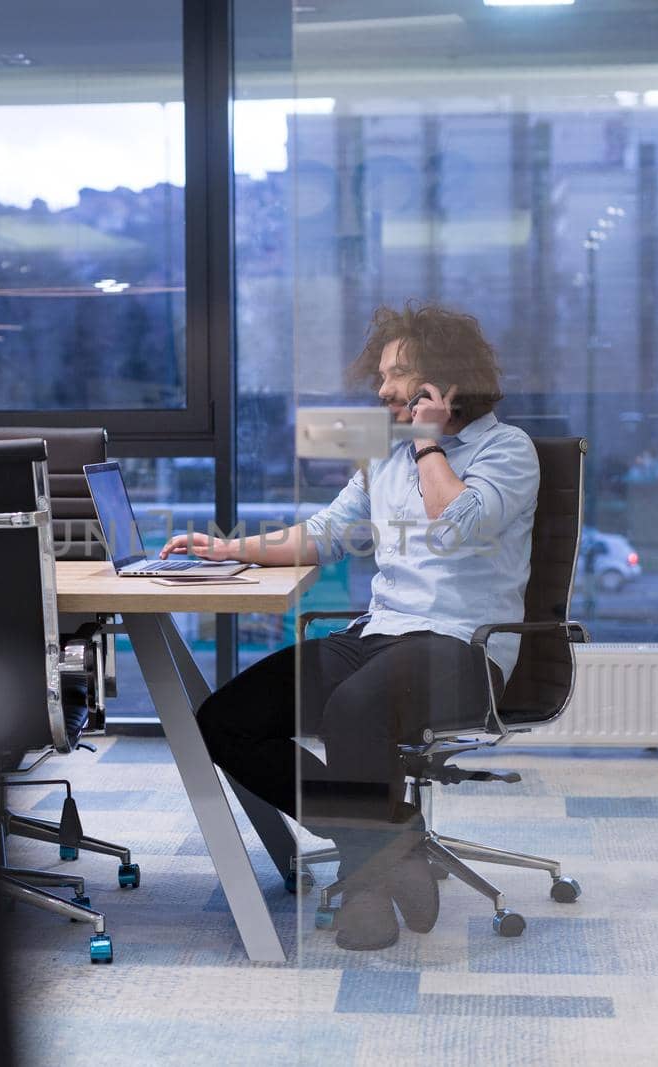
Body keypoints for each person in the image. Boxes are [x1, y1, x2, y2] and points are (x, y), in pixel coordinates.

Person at [161, 302, 540, 951]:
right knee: (227, 718)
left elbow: (457, 527)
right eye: (384, 375)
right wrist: (226, 548)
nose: (383, 389)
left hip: (463, 646)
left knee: (354, 706)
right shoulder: (385, 458)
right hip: (377, 634)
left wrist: (428, 442)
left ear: (443, 379)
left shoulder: (507, 450)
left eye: (399, 374)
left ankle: (366, 885)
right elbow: (323, 535)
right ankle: (387, 835)